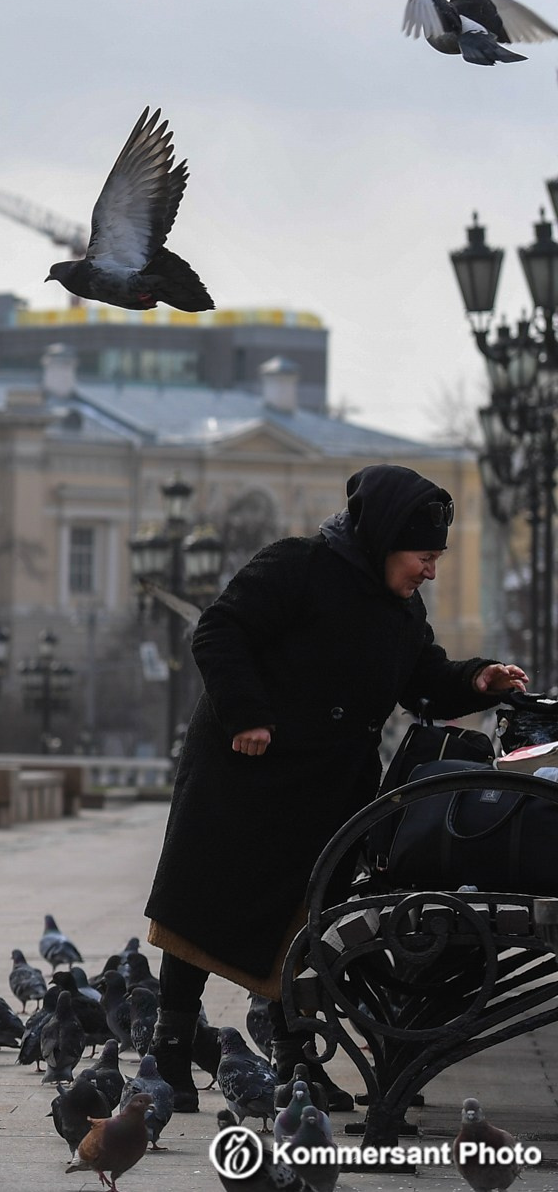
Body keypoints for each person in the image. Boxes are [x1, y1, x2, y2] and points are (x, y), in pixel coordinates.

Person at [143, 463, 525, 1111]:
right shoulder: (299, 566)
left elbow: (422, 677)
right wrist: (248, 714)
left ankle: (294, 1067)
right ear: (384, 540)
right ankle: (169, 1052)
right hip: (246, 774)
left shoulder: (400, 609)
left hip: (324, 790)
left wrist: (476, 679)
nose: (430, 569)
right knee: (204, 911)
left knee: (305, 927)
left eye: (436, 557)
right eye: (423, 555)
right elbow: (219, 630)